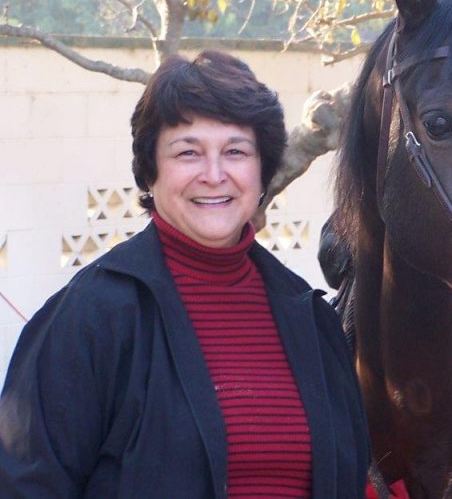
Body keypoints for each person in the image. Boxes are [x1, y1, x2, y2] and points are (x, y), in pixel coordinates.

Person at [0, 50, 369, 498]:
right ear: (151, 171)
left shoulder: (311, 320)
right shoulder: (90, 317)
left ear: (261, 169)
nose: (214, 175)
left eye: (235, 151)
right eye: (187, 152)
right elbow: (26, 485)